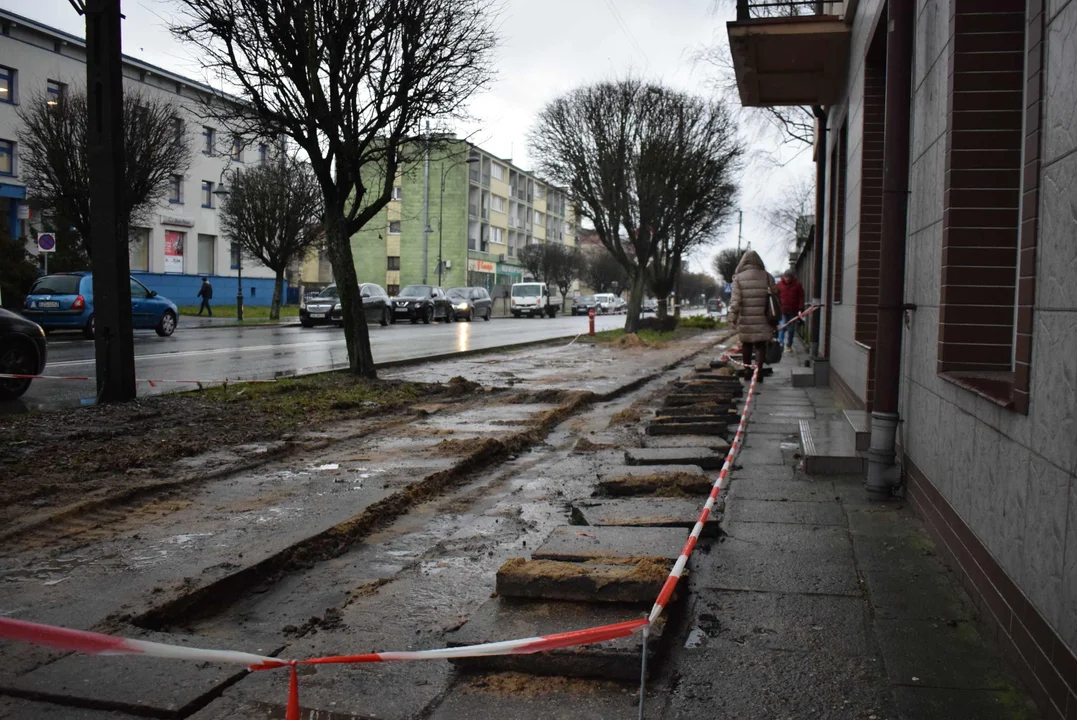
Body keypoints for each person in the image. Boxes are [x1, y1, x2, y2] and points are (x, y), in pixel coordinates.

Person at [728, 250, 778, 381]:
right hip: (764, 317)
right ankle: (759, 371)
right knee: (761, 345)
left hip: (746, 319)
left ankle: (746, 371)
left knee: (747, 345)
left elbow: (735, 301)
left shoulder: (738, 278)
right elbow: (776, 297)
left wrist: (732, 318)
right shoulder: (768, 277)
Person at [776, 269, 805, 352]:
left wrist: (801, 308)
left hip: (793, 311)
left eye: (788, 277)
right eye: (785, 277)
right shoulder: (779, 285)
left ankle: (789, 345)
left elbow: (801, 297)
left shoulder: (797, 285)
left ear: (792, 277)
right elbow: (776, 296)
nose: (787, 279)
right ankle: (780, 344)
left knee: (791, 329)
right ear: (783, 277)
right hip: (783, 310)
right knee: (782, 327)